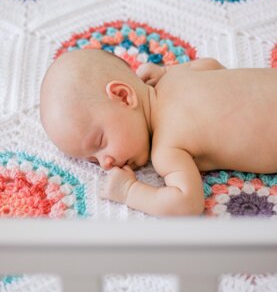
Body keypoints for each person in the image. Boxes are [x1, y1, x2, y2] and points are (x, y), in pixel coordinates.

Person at [40, 49, 277, 216]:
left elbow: (187, 203)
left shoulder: (167, 147)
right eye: (92, 160)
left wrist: (129, 192)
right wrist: (166, 71)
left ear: (123, 96)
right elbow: (212, 66)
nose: (105, 163)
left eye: (100, 142)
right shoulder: (175, 77)